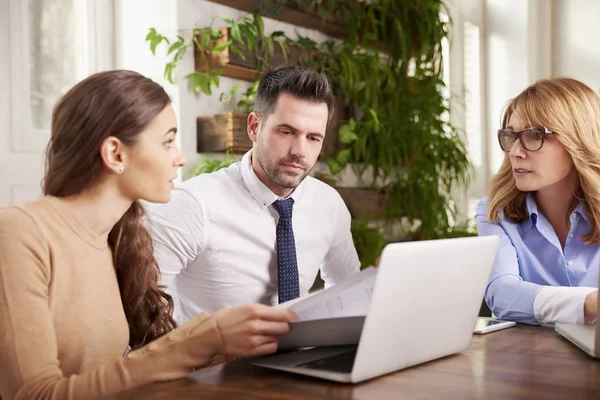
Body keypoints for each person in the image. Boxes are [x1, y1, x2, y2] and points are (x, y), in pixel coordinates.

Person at [0, 70, 297, 400]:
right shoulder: (18, 233)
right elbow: (34, 394)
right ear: (115, 154)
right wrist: (201, 339)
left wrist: (225, 344)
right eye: (168, 142)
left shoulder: (118, 239)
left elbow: (122, 370)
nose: (180, 157)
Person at [146, 65, 360, 322]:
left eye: (313, 138)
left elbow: (347, 289)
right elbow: (146, 317)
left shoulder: (328, 204)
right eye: (286, 131)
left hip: (298, 356)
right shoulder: (192, 206)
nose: (300, 151)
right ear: (253, 127)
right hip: (212, 361)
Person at [476, 77, 599, 326]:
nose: (515, 151)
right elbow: (501, 293)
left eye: (534, 136)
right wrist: (589, 303)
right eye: (510, 136)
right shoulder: (496, 210)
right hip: (532, 360)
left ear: (578, 140)